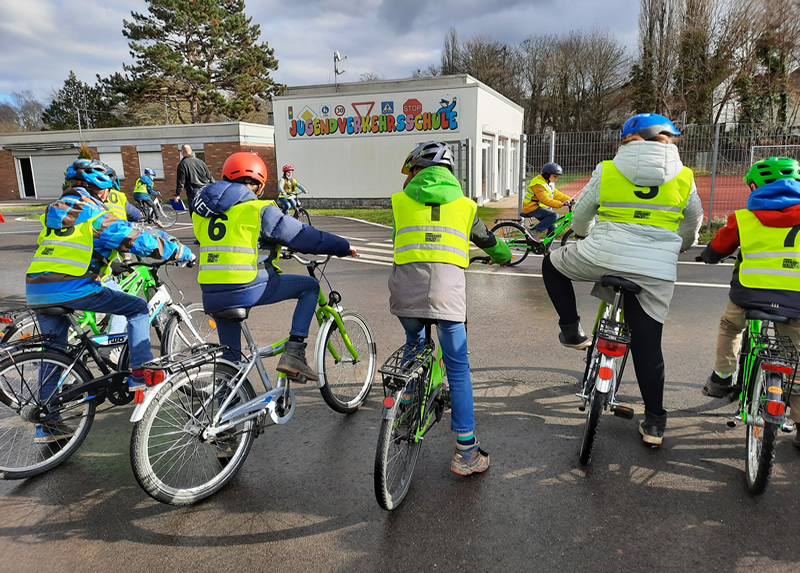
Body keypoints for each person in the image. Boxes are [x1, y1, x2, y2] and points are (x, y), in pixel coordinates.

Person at [540, 113, 703, 447]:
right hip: (654, 269)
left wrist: (586, 235)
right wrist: (680, 245)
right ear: (668, 140)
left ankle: (571, 330)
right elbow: (691, 226)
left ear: (628, 139)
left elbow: (582, 218)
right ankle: (655, 422)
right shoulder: (685, 177)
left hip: (603, 255)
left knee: (552, 266)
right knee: (647, 345)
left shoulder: (608, 170)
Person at [26, 159, 193, 442]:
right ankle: (141, 374)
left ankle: (47, 422)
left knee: (54, 353)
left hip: (38, 288)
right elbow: (135, 240)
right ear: (102, 189)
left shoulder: (54, 210)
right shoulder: (93, 211)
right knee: (137, 307)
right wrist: (178, 252)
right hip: (74, 286)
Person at [389, 141, 512, 476]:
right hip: (447, 297)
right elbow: (487, 241)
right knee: (458, 369)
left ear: (415, 170)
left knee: (414, 345)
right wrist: (504, 256)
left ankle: (407, 407)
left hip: (404, 294)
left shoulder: (399, 202)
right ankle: (466, 452)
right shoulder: (466, 206)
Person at [192, 152, 356, 380]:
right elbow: (301, 235)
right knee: (309, 287)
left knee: (231, 361)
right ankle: (295, 353)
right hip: (247, 285)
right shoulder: (258, 209)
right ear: (259, 186)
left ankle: (225, 410)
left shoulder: (202, 213)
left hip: (212, 291)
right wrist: (342, 246)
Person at [699, 156, 800, 447]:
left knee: (731, 326)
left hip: (750, 295)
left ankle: (723, 376)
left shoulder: (744, 217)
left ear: (756, 186)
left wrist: (708, 256)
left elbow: (719, 247)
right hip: (796, 301)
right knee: (795, 357)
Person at [522, 162, 572, 244]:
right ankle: (533, 230)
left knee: (553, 228)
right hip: (531, 207)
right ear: (546, 174)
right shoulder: (538, 184)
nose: (556, 178)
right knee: (554, 215)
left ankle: (546, 248)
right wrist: (561, 204)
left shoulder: (549, 182)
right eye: (555, 176)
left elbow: (556, 194)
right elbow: (545, 200)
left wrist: (569, 199)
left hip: (540, 207)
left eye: (557, 176)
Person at [176, 144, 213, 216]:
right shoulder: (201, 162)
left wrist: (177, 194)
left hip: (193, 191)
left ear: (182, 152)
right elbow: (209, 177)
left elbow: (181, 182)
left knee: (195, 213)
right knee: (206, 210)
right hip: (205, 189)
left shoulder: (182, 164)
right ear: (191, 151)